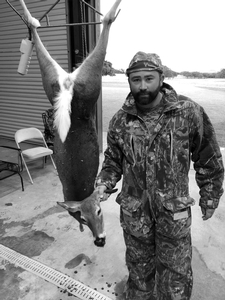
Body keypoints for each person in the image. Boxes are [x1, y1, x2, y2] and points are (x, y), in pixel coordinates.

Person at [95, 51, 224, 300]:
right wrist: (103, 183)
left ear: (161, 78)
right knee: (139, 274)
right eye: (136, 79)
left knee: (175, 277)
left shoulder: (187, 113)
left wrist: (210, 194)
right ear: (128, 80)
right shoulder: (120, 121)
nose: (142, 86)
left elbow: (208, 157)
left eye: (149, 78)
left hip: (173, 214)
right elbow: (113, 161)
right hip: (135, 214)